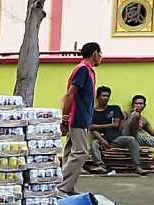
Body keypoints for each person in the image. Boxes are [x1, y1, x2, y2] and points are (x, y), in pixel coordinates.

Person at [59, 42, 102, 195]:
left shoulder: (87, 70)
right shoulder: (83, 70)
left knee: (70, 151)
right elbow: (70, 94)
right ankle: (61, 186)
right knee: (81, 152)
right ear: (95, 54)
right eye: (100, 54)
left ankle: (68, 188)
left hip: (82, 117)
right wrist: (64, 117)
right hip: (77, 117)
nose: (101, 58)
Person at [89, 86, 146, 175]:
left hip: (117, 137)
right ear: (98, 97)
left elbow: (116, 124)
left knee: (131, 139)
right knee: (94, 144)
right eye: (103, 96)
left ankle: (138, 167)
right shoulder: (92, 112)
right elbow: (91, 128)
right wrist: (102, 140)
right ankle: (101, 166)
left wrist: (97, 126)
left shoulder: (114, 108)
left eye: (107, 96)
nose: (106, 98)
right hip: (102, 138)